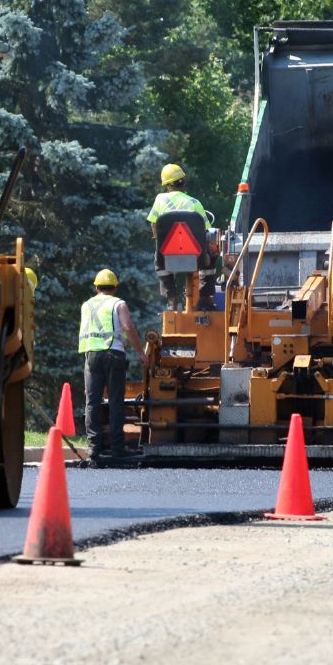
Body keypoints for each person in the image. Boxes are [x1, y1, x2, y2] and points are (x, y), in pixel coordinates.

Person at [78, 269, 147, 462]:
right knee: (116, 402)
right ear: (115, 287)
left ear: (96, 287)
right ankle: (117, 449)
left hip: (91, 355)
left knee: (92, 402)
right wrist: (140, 352)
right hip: (114, 354)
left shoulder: (86, 305)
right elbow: (127, 327)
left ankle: (94, 449)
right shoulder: (118, 303)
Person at [146, 163, 218, 311]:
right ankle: (205, 298)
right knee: (212, 254)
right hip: (195, 258)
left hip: (166, 257)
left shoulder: (160, 200)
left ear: (167, 185)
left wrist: (160, 243)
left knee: (157, 260)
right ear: (183, 183)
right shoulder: (195, 203)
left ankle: (172, 299)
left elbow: (154, 225)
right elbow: (208, 232)